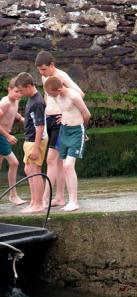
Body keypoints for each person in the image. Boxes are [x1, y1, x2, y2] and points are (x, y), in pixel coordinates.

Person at [35, 50, 85, 208]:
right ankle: (59, 197)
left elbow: (79, 94)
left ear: (52, 65)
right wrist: (44, 117)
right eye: (39, 70)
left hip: (60, 121)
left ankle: (45, 198)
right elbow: (46, 97)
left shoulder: (61, 76)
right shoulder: (44, 77)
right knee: (57, 161)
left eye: (44, 69)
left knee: (52, 159)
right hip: (49, 119)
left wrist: (65, 113)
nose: (42, 73)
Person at [44, 76, 91, 212]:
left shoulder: (74, 96)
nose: (50, 96)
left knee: (69, 166)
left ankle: (74, 201)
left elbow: (87, 114)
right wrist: (63, 116)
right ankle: (69, 200)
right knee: (64, 166)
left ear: (58, 89)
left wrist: (83, 133)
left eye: (51, 93)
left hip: (76, 131)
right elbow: (65, 110)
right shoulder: (55, 96)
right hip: (63, 131)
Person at [14, 72, 48, 213]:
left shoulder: (38, 102)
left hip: (36, 140)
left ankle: (39, 203)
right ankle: (34, 201)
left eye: (21, 90)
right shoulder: (31, 99)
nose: (20, 94)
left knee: (35, 170)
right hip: (29, 139)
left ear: (29, 86)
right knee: (29, 169)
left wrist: (35, 147)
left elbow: (40, 126)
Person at [0, 78, 26, 206]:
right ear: (9, 89)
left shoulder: (16, 100)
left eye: (21, 92)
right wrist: (7, 136)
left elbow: (13, 113)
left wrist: (21, 118)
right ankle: (13, 195)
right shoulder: (5, 103)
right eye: (16, 91)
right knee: (14, 163)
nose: (19, 94)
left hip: (4, 135)